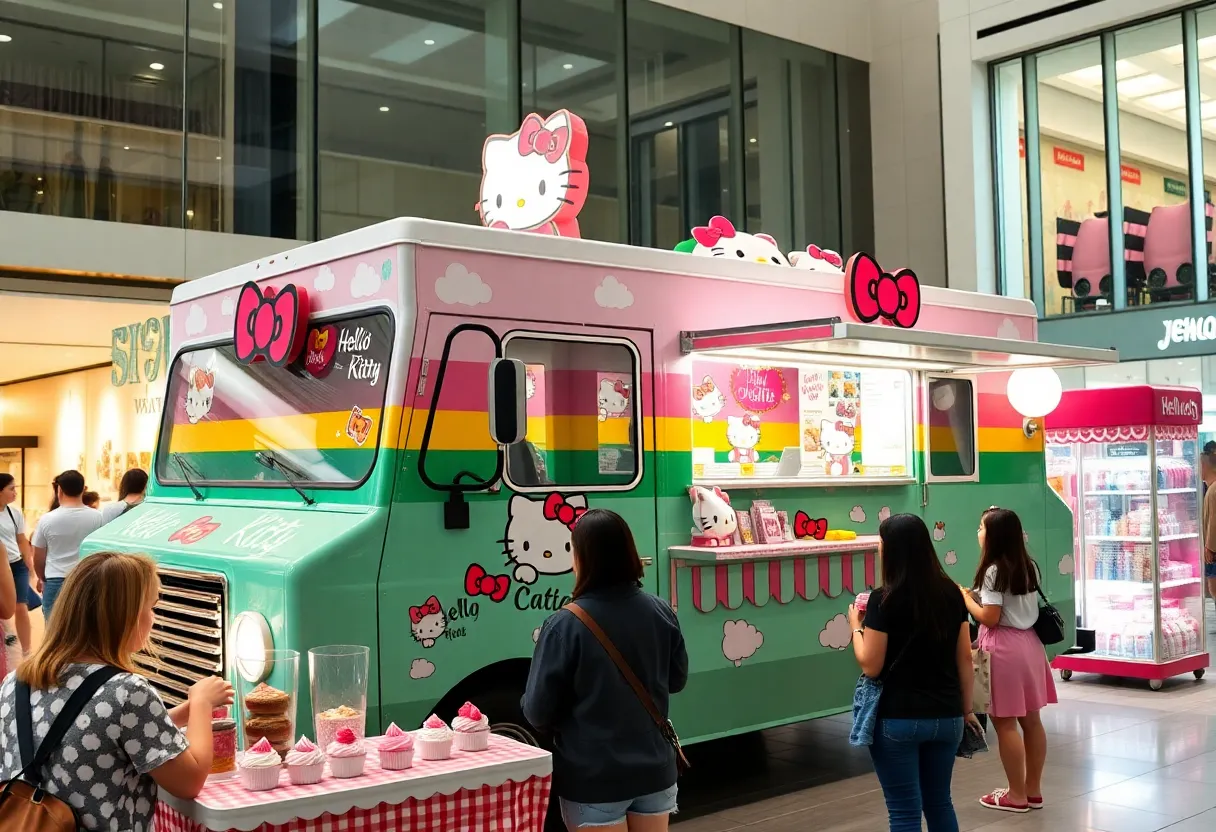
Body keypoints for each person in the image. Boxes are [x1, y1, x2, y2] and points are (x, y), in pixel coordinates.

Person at [0, 551, 233, 831]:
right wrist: (203, 702)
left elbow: (93, 729)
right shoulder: (127, 692)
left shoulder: (14, 682)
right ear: (127, 617)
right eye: (151, 607)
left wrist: (184, 713)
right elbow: (190, 781)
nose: (153, 618)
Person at [523, 509, 688, 832]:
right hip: (654, 771)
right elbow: (677, 680)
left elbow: (537, 712)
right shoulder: (660, 610)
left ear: (582, 558)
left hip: (593, 779)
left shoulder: (564, 625)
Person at [848, 513, 977, 832]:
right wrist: (966, 710)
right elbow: (964, 657)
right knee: (939, 802)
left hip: (898, 719)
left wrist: (856, 627)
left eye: (880, 543)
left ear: (891, 549)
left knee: (904, 812)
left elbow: (871, 664)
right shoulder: (951, 593)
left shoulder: (883, 599)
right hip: (947, 717)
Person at [961, 507, 1057, 814]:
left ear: (994, 536)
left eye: (981, 527)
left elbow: (991, 616)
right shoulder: (1028, 565)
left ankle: (1015, 795)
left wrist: (964, 598)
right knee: (1032, 721)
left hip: (1003, 649)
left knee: (1005, 724)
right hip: (1030, 645)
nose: (978, 532)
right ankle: (1033, 791)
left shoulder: (992, 571)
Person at [31, 470, 104, 620]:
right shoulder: (98, 517)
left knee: (54, 633)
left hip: (55, 581)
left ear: (59, 490)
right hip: (87, 579)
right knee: (84, 630)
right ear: (83, 489)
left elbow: (38, 557)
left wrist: (42, 578)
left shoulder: (47, 519)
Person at [0, 473, 37, 660]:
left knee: (21, 606)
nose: (15, 492)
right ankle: (5, 639)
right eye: (11, 488)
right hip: (0, 567)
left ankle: (27, 651)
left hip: (16, 564)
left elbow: (21, 539)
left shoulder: (14, 512)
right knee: (4, 608)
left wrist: (28, 562)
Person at [1203, 452, 1216, 620]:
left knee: (1213, 585)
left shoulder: (1213, 490)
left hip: (1213, 548)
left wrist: (1209, 546)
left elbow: (1213, 520)